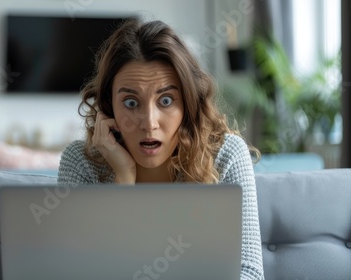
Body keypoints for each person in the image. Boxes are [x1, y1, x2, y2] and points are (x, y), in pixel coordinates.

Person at [58, 18, 264, 279]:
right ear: (109, 107)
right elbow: (77, 273)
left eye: (166, 100)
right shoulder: (81, 163)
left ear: (187, 104)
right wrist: (123, 179)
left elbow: (250, 273)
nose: (149, 123)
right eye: (131, 103)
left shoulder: (225, 155)